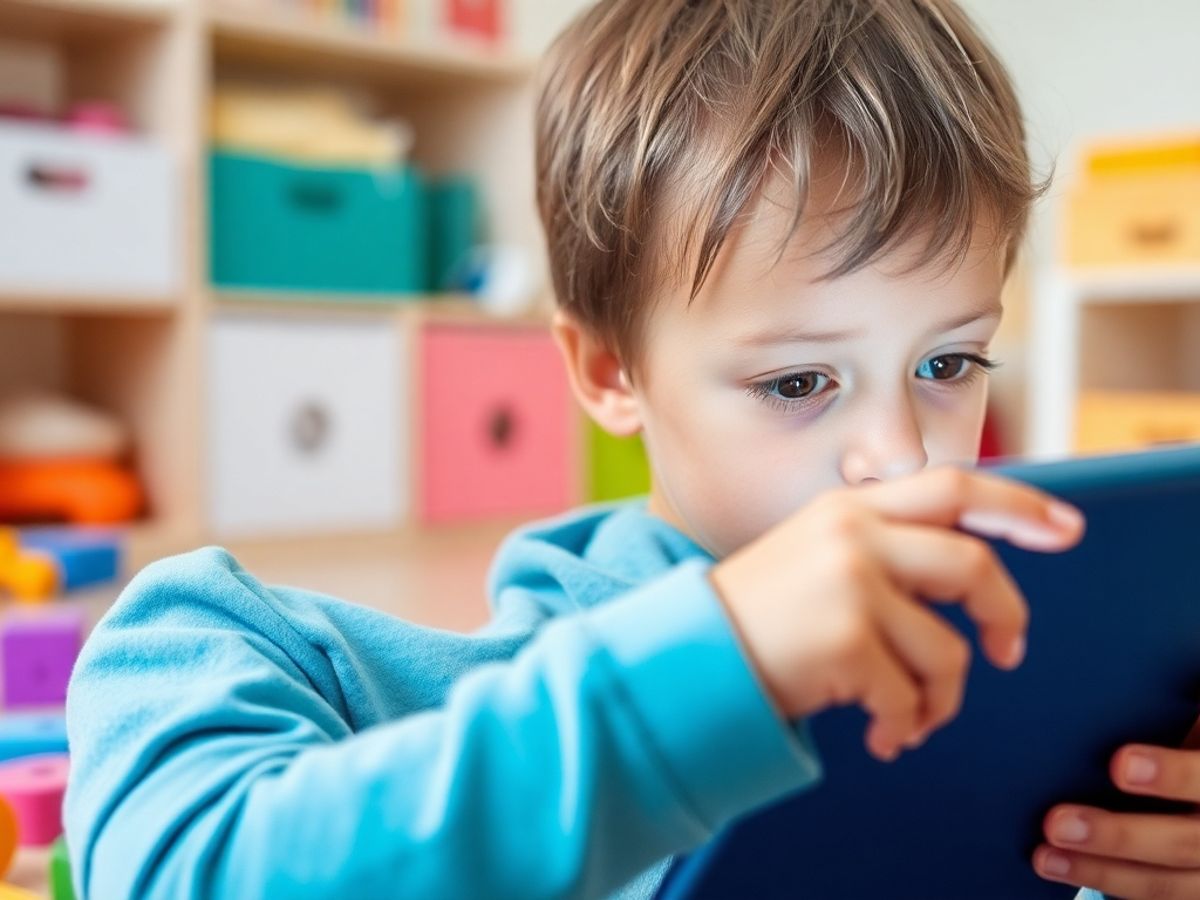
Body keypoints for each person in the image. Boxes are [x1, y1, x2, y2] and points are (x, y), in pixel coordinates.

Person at [65, 2, 1195, 898]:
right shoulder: (228, 654)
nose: (902, 462)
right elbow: (184, 869)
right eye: (799, 382)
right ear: (609, 372)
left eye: (948, 365)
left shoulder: (1017, 673)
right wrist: (728, 662)